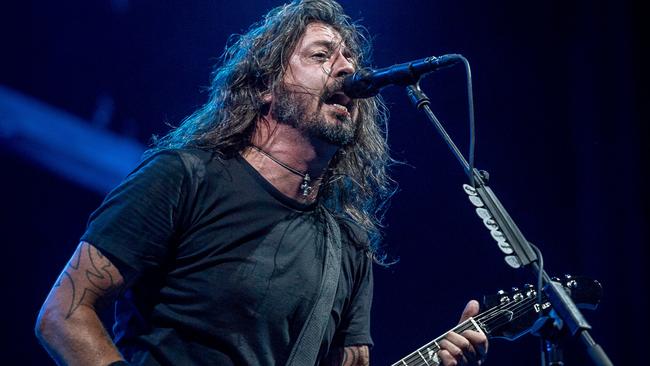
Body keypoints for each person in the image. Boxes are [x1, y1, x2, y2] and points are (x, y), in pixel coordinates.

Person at [35, 0, 488, 365]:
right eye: (322, 55)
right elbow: (64, 314)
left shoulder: (348, 244)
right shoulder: (185, 177)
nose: (348, 69)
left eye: (351, 57)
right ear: (266, 86)